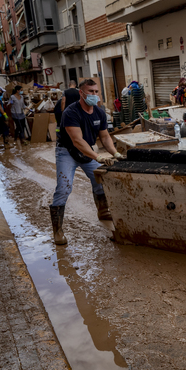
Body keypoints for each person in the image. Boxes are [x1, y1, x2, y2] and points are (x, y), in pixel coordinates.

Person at [49, 79, 125, 245]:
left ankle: (103, 211)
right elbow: (77, 141)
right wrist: (97, 157)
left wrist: (115, 153)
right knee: (64, 187)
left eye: (96, 91)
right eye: (91, 91)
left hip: (86, 151)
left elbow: (104, 137)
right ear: (81, 93)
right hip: (67, 152)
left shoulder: (99, 112)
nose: (94, 95)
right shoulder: (71, 112)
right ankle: (58, 231)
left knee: (100, 179)